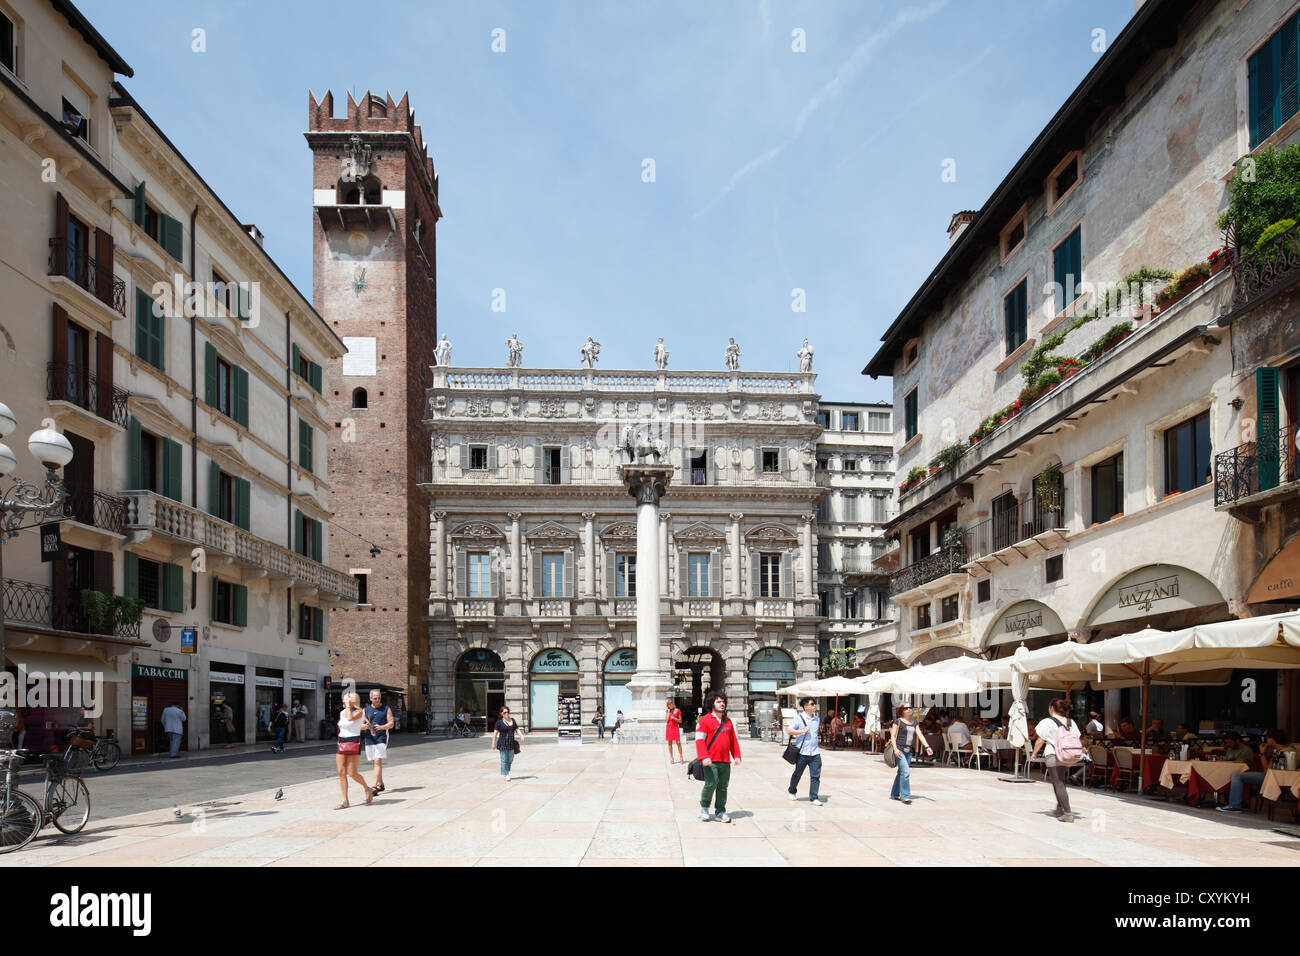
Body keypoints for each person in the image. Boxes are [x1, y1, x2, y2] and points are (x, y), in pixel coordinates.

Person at [1219, 730, 1296, 813]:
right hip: (1281, 777)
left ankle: (1234, 805)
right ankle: (1242, 804)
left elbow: (1266, 771)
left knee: (1237, 776)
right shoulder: (1287, 750)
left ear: (1272, 739)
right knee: (1238, 775)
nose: (1266, 740)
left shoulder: (1280, 752)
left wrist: (1262, 753)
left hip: (1273, 778)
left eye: (1267, 738)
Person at [1031, 698, 1081, 823]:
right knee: (1061, 781)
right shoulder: (1071, 722)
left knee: (1057, 783)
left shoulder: (1047, 721)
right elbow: (1078, 737)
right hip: (1067, 755)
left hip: (1053, 754)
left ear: (1052, 708)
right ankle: (1060, 808)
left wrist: (1034, 754)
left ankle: (1068, 813)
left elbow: (1040, 740)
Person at [695, 692, 741, 822]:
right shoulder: (704, 721)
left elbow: (733, 741)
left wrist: (736, 755)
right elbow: (699, 740)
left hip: (725, 760)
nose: (722, 704)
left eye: (723, 701)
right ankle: (704, 807)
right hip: (710, 760)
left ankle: (720, 811)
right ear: (711, 704)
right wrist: (703, 756)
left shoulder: (727, 721)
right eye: (718, 702)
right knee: (711, 784)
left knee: (722, 786)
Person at [334, 692, 373, 809]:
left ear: (352, 701)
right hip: (342, 742)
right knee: (341, 772)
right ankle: (345, 800)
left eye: (346, 699)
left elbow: (351, 719)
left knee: (352, 772)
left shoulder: (359, 712)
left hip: (353, 742)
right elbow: (346, 726)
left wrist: (348, 706)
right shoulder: (342, 712)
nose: (344, 701)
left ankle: (367, 788)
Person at [888, 703, 933, 805]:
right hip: (899, 750)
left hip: (909, 751)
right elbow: (893, 736)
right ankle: (905, 796)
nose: (909, 709)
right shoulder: (898, 721)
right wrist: (895, 749)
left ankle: (894, 793)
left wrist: (927, 746)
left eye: (910, 707)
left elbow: (920, 735)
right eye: (906, 708)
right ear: (902, 710)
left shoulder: (914, 722)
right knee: (906, 772)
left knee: (901, 772)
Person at [787, 697, 824, 805]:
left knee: (815, 776)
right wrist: (802, 731)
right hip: (802, 753)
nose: (814, 706)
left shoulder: (817, 719)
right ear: (805, 707)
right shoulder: (799, 718)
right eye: (812, 704)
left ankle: (814, 797)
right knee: (798, 774)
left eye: (814, 704)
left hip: (815, 752)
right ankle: (792, 791)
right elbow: (789, 730)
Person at [364, 689, 394, 793]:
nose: (377, 699)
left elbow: (391, 723)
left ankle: (374, 786)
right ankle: (380, 784)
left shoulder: (386, 709)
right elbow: (360, 725)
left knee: (377, 761)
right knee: (375, 762)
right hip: (369, 738)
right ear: (371, 698)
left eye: (379, 698)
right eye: (375, 698)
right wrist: (367, 726)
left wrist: (382, 727)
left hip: (381, 737)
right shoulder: (366, 710)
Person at [491, 705, 522, 780]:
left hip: (511, 743)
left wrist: (521, 735)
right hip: (502, 743)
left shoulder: (513, 720)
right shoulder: (499, 723)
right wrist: (493, 743)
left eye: (507, 712)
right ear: (501, 714)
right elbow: (495, 734)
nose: (506, 714)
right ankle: (506, 773)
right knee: (504, 759)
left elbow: (517, 729)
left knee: (510, 759)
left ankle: (506, 771)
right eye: (504, 712)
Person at [665, 699, 684, 763]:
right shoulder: (667, 711)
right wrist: (668, 712)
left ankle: (681, 756)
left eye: (671, 704)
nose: (670, 706)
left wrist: (675, 718)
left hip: (675, 728)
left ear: (673, 704)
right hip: (669, 728)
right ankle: (671, 757)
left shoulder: (678, 710)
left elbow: (680, 721)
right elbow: (667, 720)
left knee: (678, 743)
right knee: (669, 743)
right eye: (669, 705)